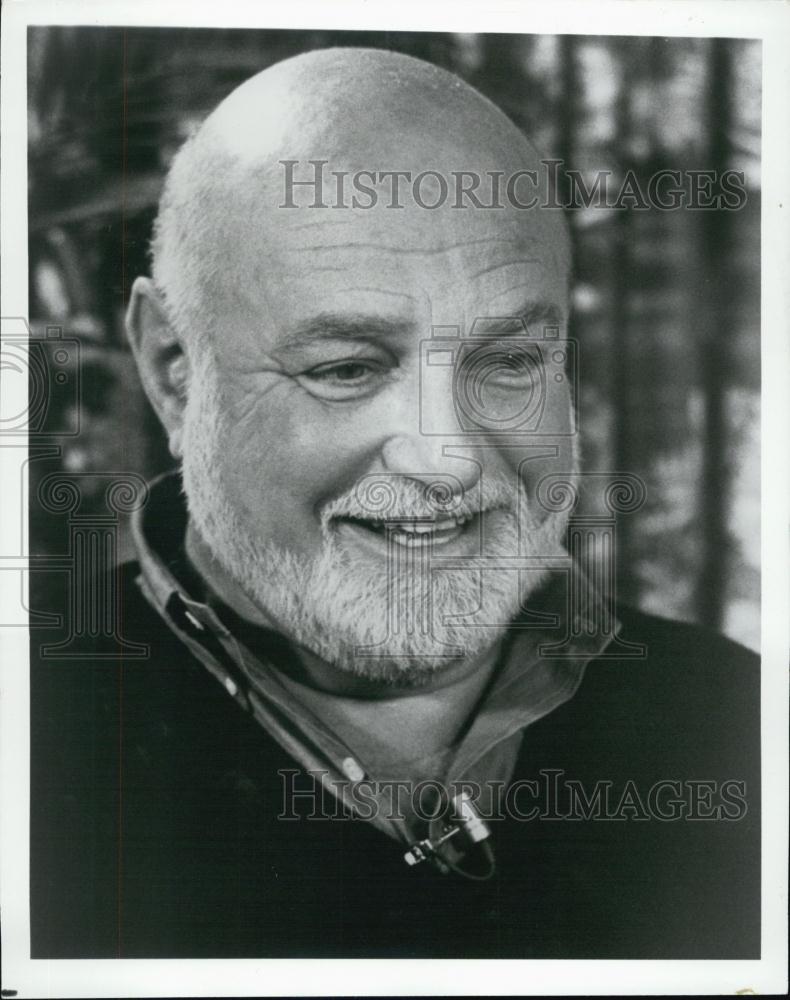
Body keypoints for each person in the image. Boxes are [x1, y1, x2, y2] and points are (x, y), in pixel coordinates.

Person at [30, 47, 759, 959]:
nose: (446, 460)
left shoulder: (737, 721)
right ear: (175, 373)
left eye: (509, 362)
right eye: (346, 369)